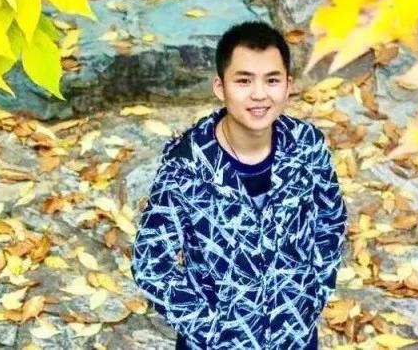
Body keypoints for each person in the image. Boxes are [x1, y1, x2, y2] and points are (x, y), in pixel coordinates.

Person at [131, 21, 348, 349]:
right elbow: (151, 262)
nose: (259, 94)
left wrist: (312, 296)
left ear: (288, 85)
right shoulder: (186, 166)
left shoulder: (307, 145)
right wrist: (211, 331)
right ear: (220, 88)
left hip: (294, 337)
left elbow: (330, 219)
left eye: (272, 80)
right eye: (244, 80)